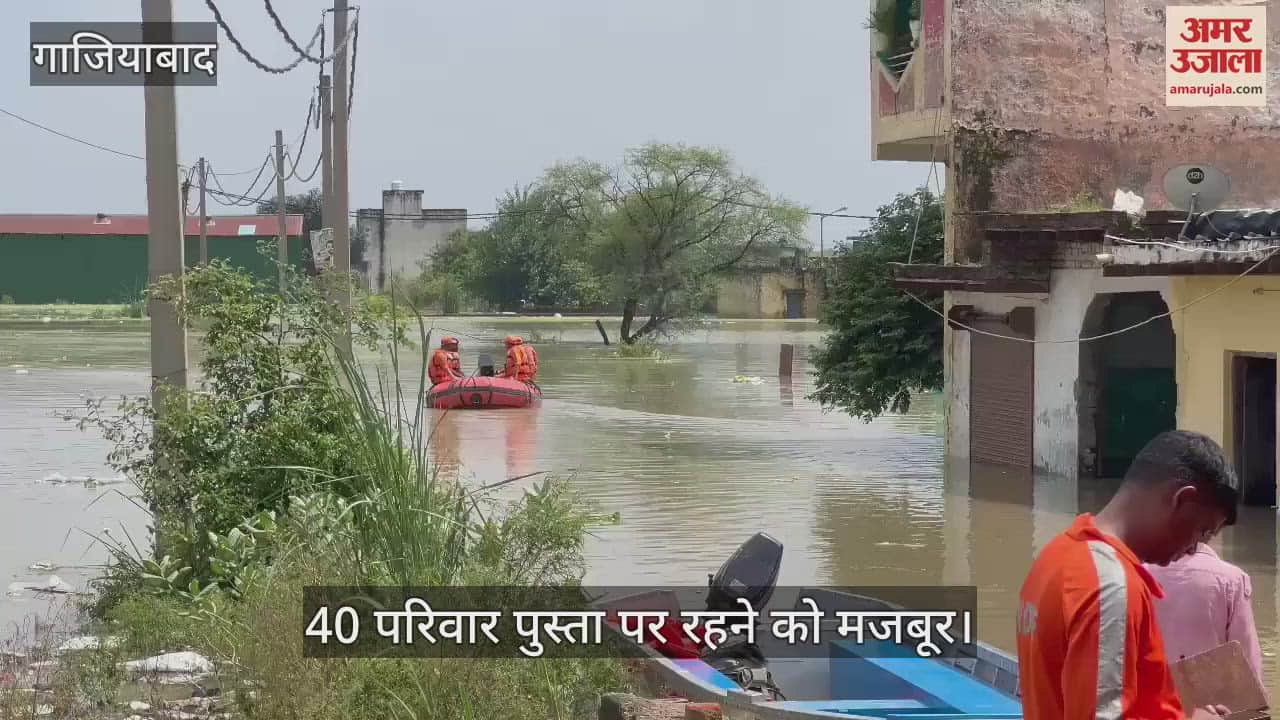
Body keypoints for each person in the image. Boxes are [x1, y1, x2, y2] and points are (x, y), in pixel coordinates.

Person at [1016, 430, 1240, 720]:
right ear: (1182, 500)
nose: (1192, 549)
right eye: (1202, 531)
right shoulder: (1111, 587)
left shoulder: (1056, 557)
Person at [1144, 541, 1264, 688]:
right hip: (1209, 702)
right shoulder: (1233, 579)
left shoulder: (1138, 573)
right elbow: (1246, 658)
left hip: (1150, 697)